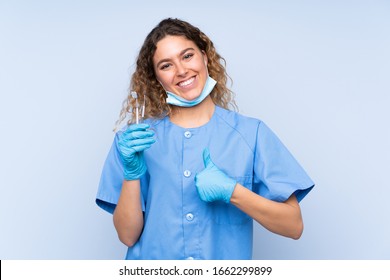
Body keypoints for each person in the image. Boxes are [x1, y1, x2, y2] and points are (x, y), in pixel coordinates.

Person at [96, 18, 314, 260]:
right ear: (156, 77)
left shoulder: (251, 134)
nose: (181, 71)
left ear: (205, 57)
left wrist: (233, 192)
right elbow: (127, 236)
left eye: (187, 56)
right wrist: (131, 175)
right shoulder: (135, 142)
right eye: (166, 65)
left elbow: (293, 226)